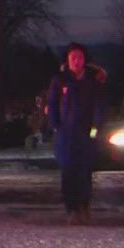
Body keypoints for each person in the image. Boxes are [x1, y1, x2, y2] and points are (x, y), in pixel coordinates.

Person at [47, 42, 107, 224]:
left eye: (80, 57)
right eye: (73, 57)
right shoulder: (60, 80)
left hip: (86, 133)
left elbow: (100, 106)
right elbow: (52, 104)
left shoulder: (93, 80)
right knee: (68, 172)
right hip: (66, 134)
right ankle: (71, 208)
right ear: (67, 59)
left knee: (84, 172)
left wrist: (96, 127)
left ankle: (84, 206)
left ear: (84, 60)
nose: (76, 61)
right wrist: (56, 125)